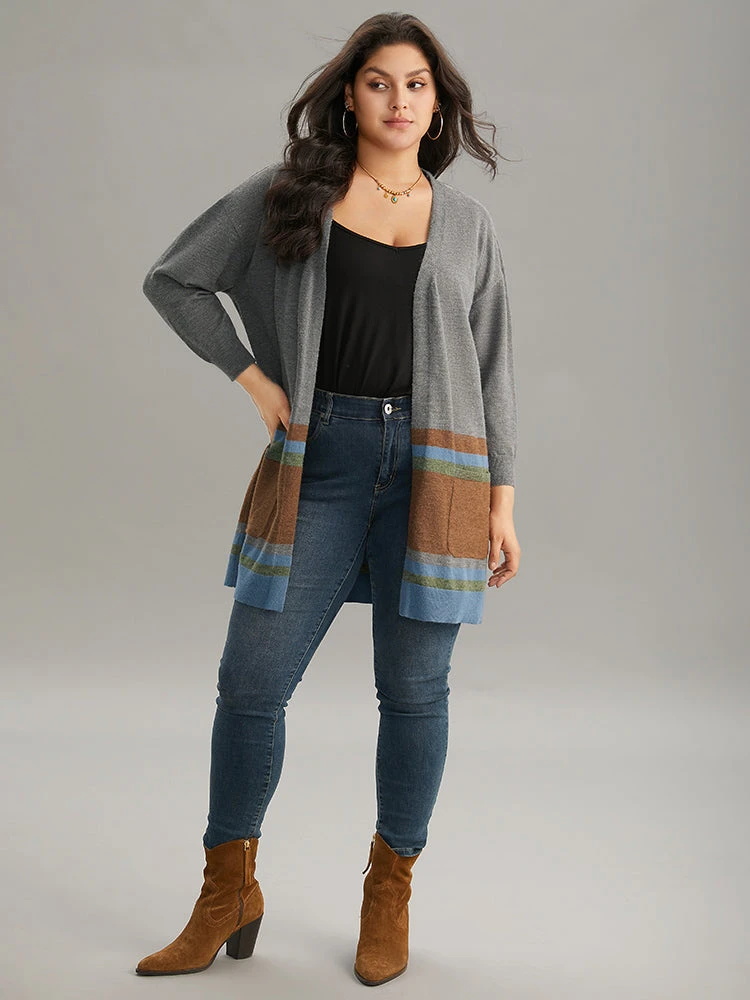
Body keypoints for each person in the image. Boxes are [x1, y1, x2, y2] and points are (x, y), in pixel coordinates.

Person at [135, 11, 521, 987]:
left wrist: (503, 503)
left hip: (439, 471)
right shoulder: (290, 194)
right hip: (322, 464)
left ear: (438, 104)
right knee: (251, 682)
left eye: (417, 85)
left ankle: (388, 891)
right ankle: (227, 891)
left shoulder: (467, 226)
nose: (399, 100)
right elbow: (175, 281)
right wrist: (254, 381)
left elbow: (493, 367)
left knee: (416, 692)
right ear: (350, 94)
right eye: (380, 81)